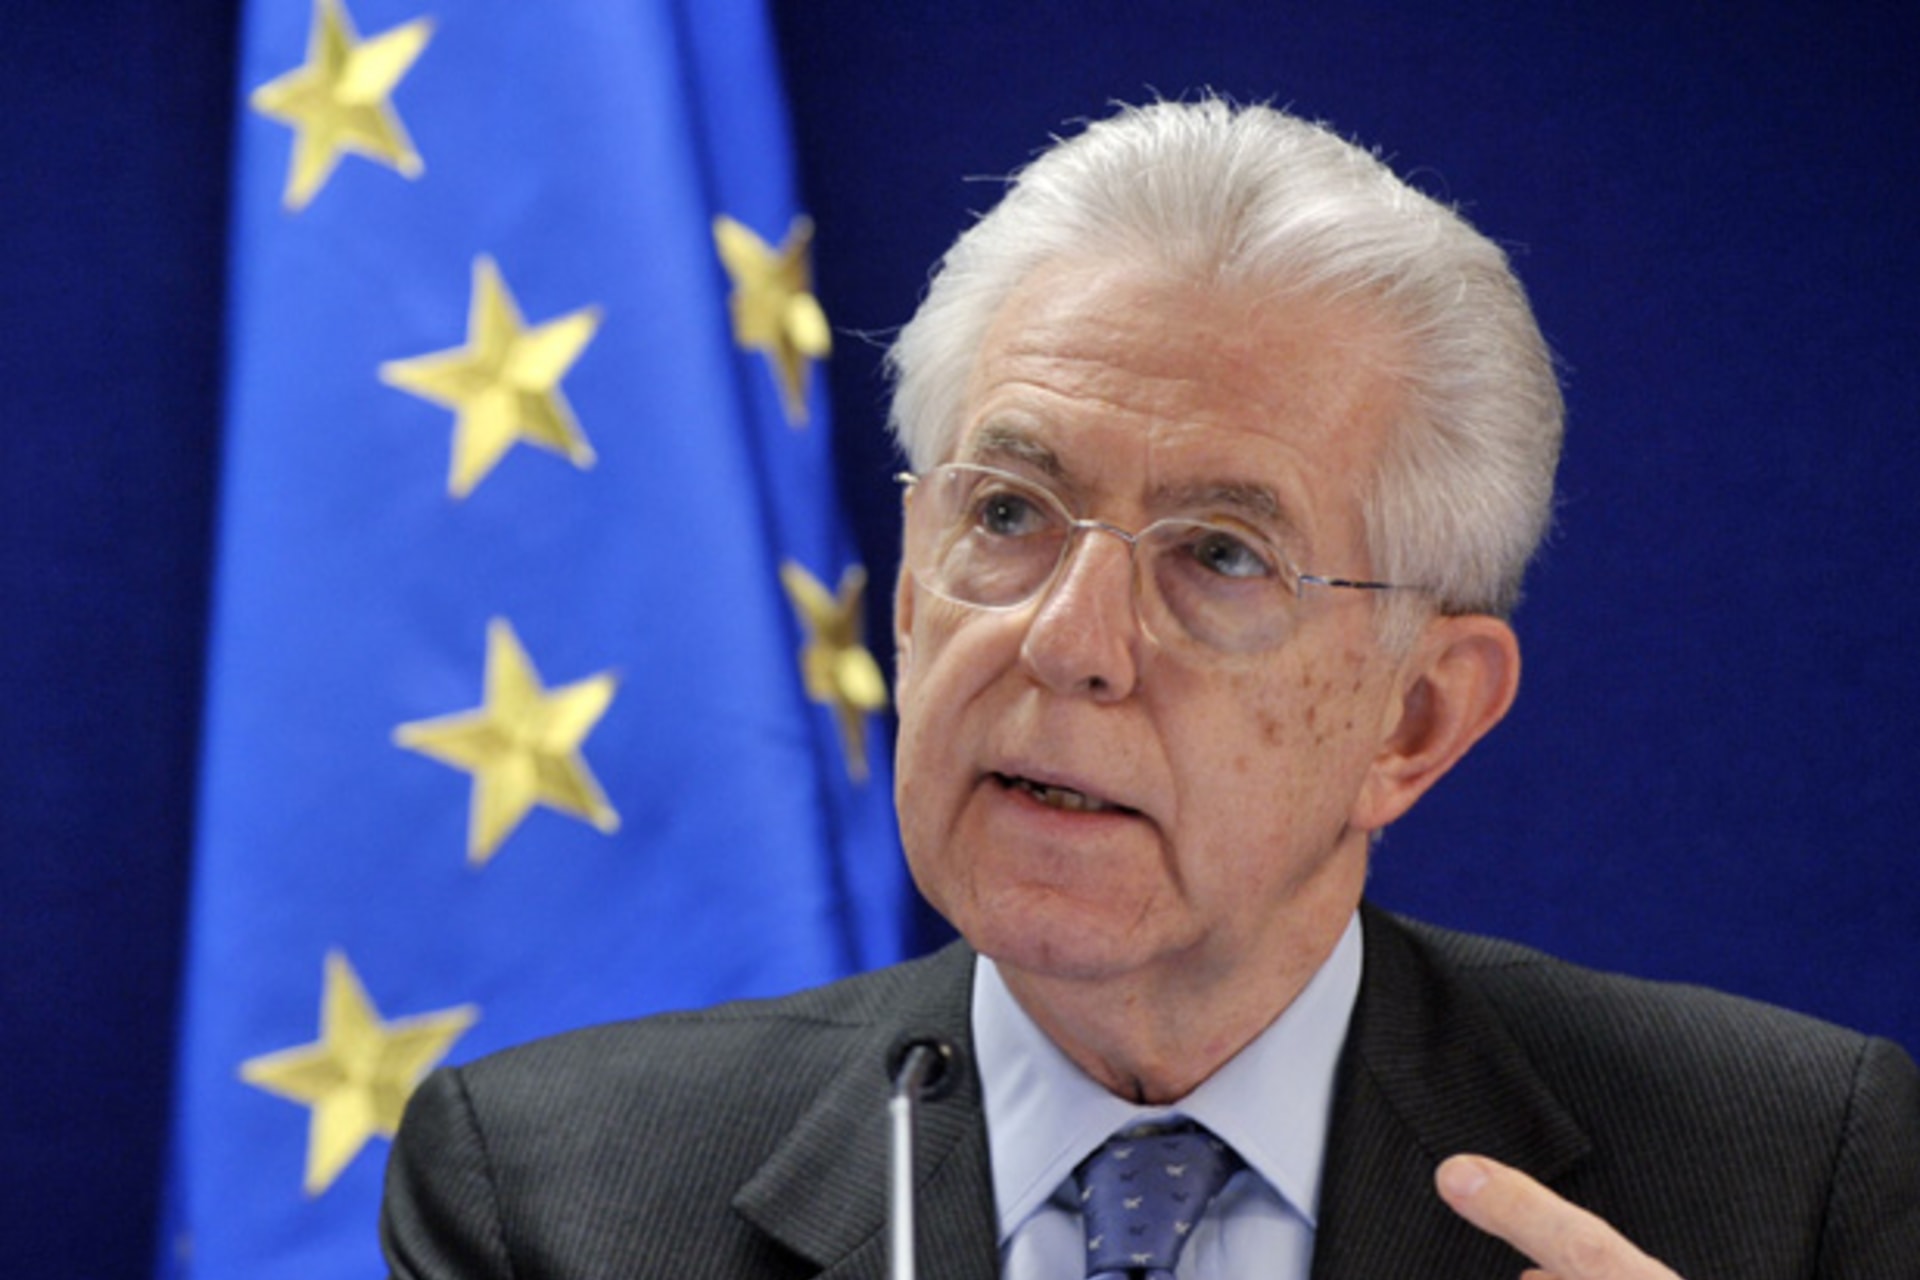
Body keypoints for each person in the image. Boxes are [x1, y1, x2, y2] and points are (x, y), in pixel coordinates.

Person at [381, 98, 1919, 1279]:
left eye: (1222, 555)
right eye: (1007, 514)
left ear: (1416, 719)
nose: (1071, 640)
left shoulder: (1793, 1182)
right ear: (910, 593)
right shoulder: (551, 1195)